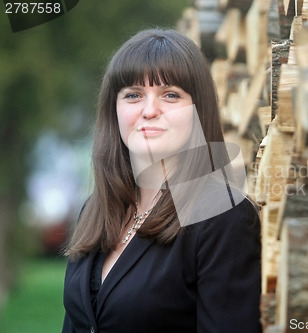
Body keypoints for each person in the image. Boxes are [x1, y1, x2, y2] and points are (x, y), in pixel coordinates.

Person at [62, 28, 262, 333]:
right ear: (113, 109)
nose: (150, 110)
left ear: (199, 110)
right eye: (133, 95)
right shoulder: (96, 209)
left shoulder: (222, 216)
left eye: (170, 95)